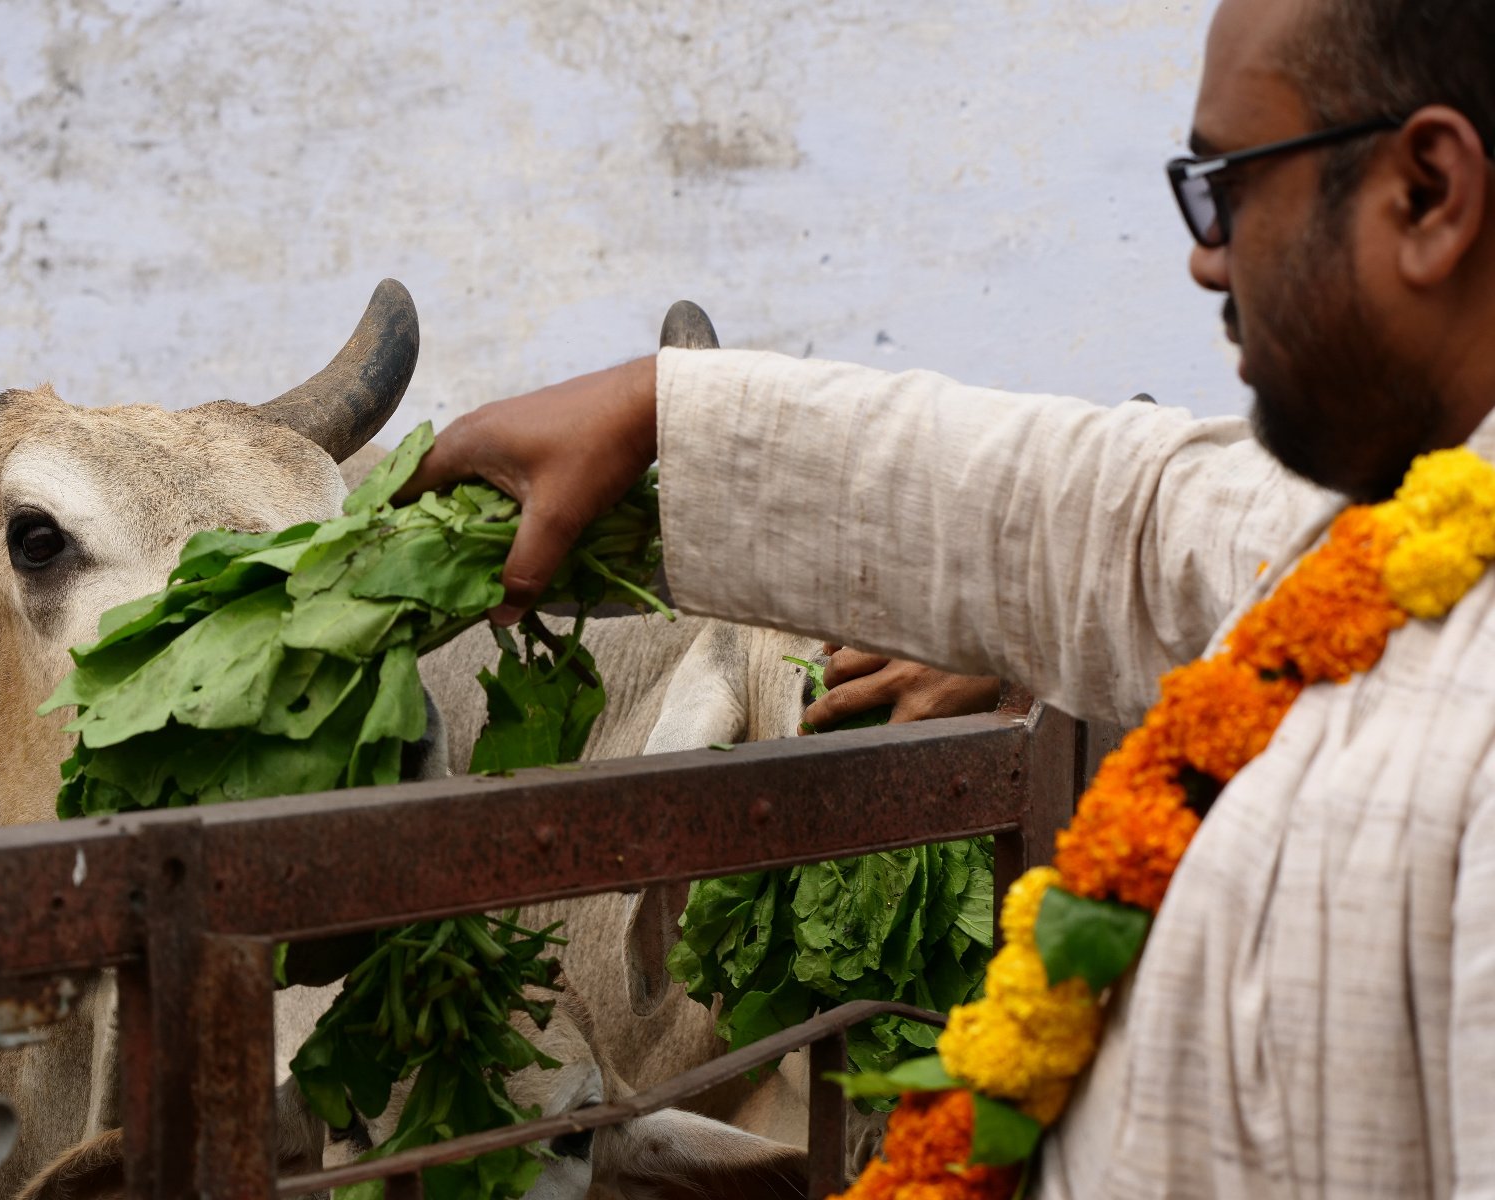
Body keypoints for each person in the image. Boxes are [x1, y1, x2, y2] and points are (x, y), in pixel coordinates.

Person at [398, 0, 1495, 1194]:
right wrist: (664, 411)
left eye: (1223, 186)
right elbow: (1107, 511)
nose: (1202, 254)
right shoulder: (1383, 536)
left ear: (1428, 193)